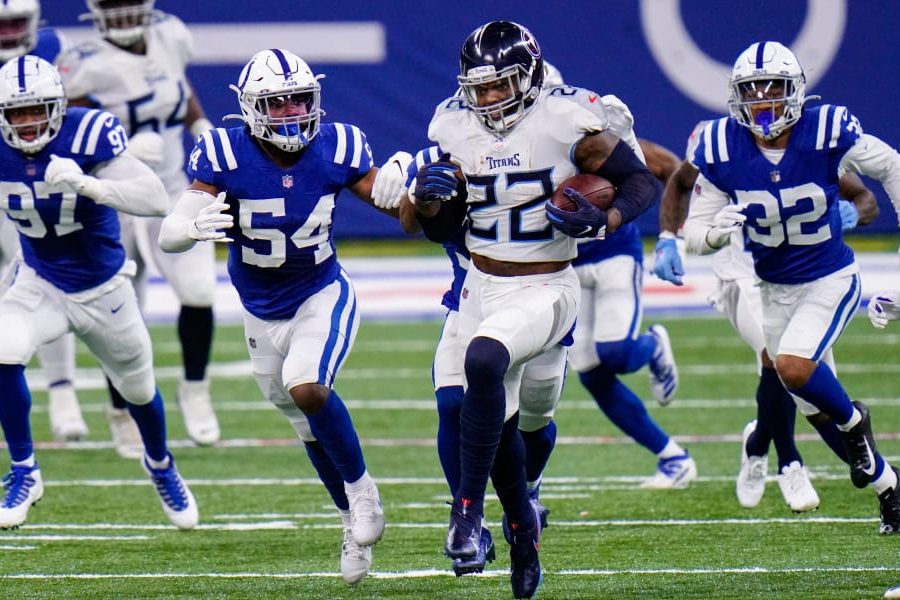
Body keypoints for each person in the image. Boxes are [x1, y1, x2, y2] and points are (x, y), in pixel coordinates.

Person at [409, 21, 660, 598]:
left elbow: (638, 180)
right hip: (478, 283)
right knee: (467, 409)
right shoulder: (452, 124)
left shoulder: (566, 116)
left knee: (491, 370)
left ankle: (468, 515)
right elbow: (439, 229)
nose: (489, 99)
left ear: (529, 76)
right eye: (480, 88)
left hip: (547, 284)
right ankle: (520, 526)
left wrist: (608, 218)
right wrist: (430, 203)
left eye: (501, 86)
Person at [158, 48, 412, 585]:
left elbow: (408, 217)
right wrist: (188, 228)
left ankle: (364, 492)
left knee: (307, 387)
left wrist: (406, 181)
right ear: (251, 109)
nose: (293, 112)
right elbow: (171, 232)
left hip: (320, 291)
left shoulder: (339, 143)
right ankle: (350, 516)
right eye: (278, 103)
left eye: (301, 99)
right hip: (258, 308)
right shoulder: (223, 151)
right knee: (304, 423)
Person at [682, 41, 900, 532]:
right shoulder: (721, 146)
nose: (763, 101)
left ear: (795, 91)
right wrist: (715, 232)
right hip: (771, 288)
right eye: (751, 92)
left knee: (793, 368)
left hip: (829, 278)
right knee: (808, 405)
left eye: (773, 90)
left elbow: (890, 166)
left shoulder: (824, 130)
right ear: (736, 97)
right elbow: (696, 230)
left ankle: (854, 424)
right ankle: (891, 488)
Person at [0, 56, 197, 530]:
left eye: (37, 110)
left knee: (138, 388)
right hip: (39, 278)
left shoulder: (88, 134)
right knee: (3, 348)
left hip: (104, 287)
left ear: (60, 107)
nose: (27, 123)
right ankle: (25, 469)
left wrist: (90, 184)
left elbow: (154, 200)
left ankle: (160, 463)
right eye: (16, 113)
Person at [657, 117, 877, 511]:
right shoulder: (716, 144)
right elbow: (679, 180)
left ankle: (760, 443)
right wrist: (668, 239)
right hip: (738, 271)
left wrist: (853, 213)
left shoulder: (804, 149)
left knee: (816, 392)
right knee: (776, 361)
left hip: (795, 276)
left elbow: (864, 198)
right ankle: (790, 462)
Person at [57, 0, 220, 455]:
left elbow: (177, 87)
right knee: (120, 305)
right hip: (115, 194)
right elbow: (66, 126)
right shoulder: (84, 62)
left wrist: (198, 121)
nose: (124, 12)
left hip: (171, 187)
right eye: (114, 4)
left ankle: (196, 390)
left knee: (199, 292)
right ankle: (121, 411)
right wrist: (120, 146)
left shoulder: (170, 35)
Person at [0, 0, 90, 442]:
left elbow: (82, 108)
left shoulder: (55, 46)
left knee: (38, 272)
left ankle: (62, 392)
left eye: (16, 23)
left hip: (35, 177)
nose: (9, 34)